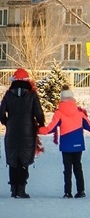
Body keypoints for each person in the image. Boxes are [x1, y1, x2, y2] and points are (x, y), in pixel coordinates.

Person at [39, 86, 90, 198]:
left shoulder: (59, 113)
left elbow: (50, 129)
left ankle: (68, 192)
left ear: (61, 99)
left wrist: (37, 129)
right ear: (73, 99)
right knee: (78, 167)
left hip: (66, 145)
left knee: (67, 169)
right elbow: (89, 126)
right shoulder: (80, 112)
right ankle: (81, 191)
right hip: (78, 144)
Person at [0, 68, 45, 199]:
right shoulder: (32, 95)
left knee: (13, 159)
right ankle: (21, 189)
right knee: (23, 160)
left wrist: (7, 122)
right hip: (28, 131)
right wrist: (40, 125)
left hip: (12, 131)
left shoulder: (8, 94)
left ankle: (13, 189)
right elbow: (38, 113)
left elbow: (1, 112)